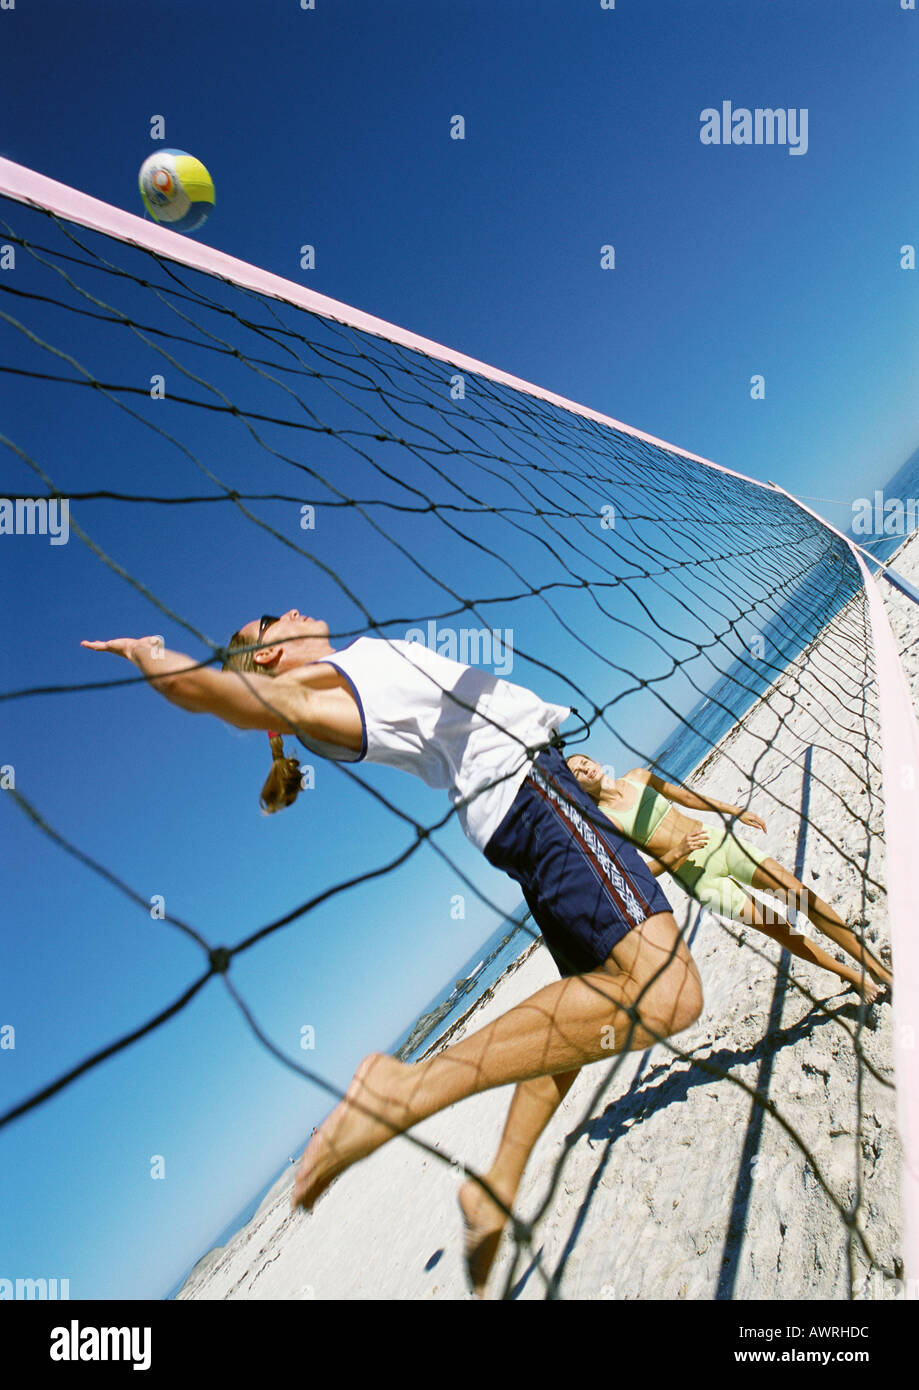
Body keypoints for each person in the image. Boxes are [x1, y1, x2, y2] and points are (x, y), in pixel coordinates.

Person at [82, 611, 704, 1297]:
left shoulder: (336, 689)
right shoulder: (318, 693)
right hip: (533, 796)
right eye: (270, 620)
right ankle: (402, 1089)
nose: (290, 610)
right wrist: (153, 657)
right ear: (268, 656)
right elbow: (232, 701)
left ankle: (496, 1184)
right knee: (666, 993)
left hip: (523, 809)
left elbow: (259, 703)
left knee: (583, 1011)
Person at [565, 754, 892, 1005]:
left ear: (594, 760)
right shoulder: (604, 822)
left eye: (585, 761)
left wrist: (734, 811)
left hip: (719, 843)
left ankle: (875, 967)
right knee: (778, 927)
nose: (585, 769)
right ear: (576, 787)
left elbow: (687, 798)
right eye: (577, 773)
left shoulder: (638, 777)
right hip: (699, 878)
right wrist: (677, 853)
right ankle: (851, 975)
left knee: (798, 896)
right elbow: (633, 874)